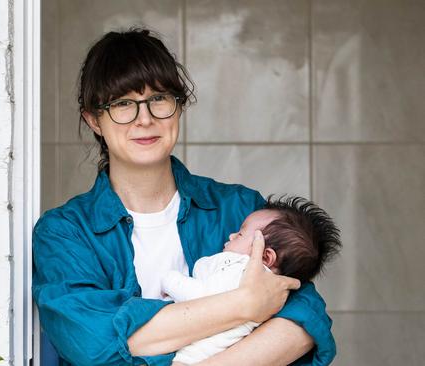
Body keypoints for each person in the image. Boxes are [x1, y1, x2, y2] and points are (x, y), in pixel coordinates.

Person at [32, 28, 336, 366]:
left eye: (159, 98)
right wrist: (244, 306)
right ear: (94, 120)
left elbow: (306, 320)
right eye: (122, 104)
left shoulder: (240, 210)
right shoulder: (64, 233)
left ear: (179, 107)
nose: (144, 119)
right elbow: (91, 343)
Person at [163, 196, 342, 365]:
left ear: (265, 256)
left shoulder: (241, 272)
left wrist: (170, 281)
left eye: (240, 234)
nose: (232, 235)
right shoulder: (276, 294)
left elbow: (200, 297)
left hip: (192, 357)